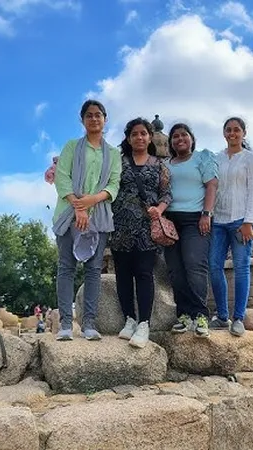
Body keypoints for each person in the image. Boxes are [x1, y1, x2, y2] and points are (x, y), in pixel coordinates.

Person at [50, 99, 122, 341]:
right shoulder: (72, 147)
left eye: (98, 115)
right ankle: (66, 324)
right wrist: (78, 206)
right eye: (89, 115)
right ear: (82, 120)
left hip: (99, 214)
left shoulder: (112, 153)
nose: (94, 119)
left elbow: (114, 185)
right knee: (66, 267)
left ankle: (89, 322)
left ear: (105, 119)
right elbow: (62, 178)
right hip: (69, 213)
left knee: (93, 270)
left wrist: (91, 201)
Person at [112, 118, 172, 349]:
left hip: (147, 226)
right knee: (123, 274)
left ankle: (144, 323)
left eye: (143, 133)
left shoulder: (159, 165)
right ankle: (129, 318)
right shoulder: (119, 163)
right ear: (128, 138)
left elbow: (166, 194)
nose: (139, 137)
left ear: (150, 137)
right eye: (134, 134)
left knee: (145, 273)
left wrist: (159, 209)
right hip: (121, 225)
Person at [209, 117, 253, 337]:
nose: (232, 134)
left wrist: (249, 222)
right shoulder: (216, 158)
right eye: (229, 130)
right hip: (219, 221)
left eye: (237, 130)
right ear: (224, 133)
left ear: (243, 133)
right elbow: (211, 188)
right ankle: (223, 316)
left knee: (242, 268)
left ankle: (238, 317)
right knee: (214, 266)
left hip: (242, 219)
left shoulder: (250, 159)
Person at [164, 123, 218, 338]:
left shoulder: (202, 157)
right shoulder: (165, 164)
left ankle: (200, 314)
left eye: (184, 135)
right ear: (171, 142)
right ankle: (184, 314)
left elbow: (212, 185)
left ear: (191, 138)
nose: (180, 139)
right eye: (175, 136)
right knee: (175, 270)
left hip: (196, 219)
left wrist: (207, 213)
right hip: (170, 221)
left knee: (195, 265)